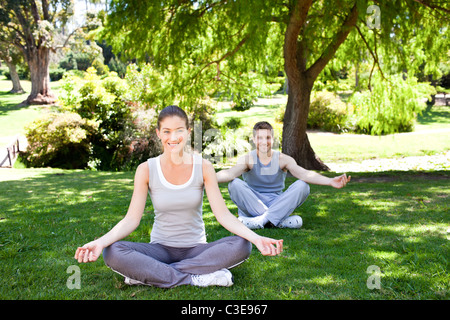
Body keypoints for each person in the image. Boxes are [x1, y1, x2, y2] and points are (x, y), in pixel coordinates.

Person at [74, 106, 283, 288]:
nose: (173, 138)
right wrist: (100, 242)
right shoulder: (146, 169)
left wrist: (256, 238)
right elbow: (131, 220)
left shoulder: (203, 167)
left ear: (188, 132)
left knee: (242, 244)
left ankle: (151, 274)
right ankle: (194, 278)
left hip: (197, 251)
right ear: (158, 133)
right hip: (160, 249)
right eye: (166, 131)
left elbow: (223, 215)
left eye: (179, 131)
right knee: (112, 251)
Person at [216, 121, 351, 230]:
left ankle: (260, 221)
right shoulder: (247, 159)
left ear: (273, 139)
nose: (264, 141)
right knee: (234, 184)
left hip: (277, 203)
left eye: (268, 137)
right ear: (253, 139)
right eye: (260, 138)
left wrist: (330, 181)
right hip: (253, 203)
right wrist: (206, 178)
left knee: (303, 186)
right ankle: (277, 220)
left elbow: (304, 174)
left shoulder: (283, 159)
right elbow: (229, 173)